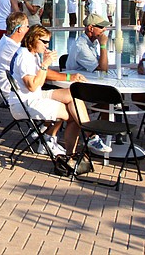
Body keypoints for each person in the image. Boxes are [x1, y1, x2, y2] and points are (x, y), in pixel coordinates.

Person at [9, 25, 112, 158]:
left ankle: (85, 138)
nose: (47, 45)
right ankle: (71, 154)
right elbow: (33, 86)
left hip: (33, 96)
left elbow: (44, 75)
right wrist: (45, 64)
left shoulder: (31, 54)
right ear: (33, 39)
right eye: (44, 42)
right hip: (25, 102)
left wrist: (70, 77)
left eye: (48, 42)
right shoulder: (25, 57)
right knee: (74, 115)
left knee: (73, 94)